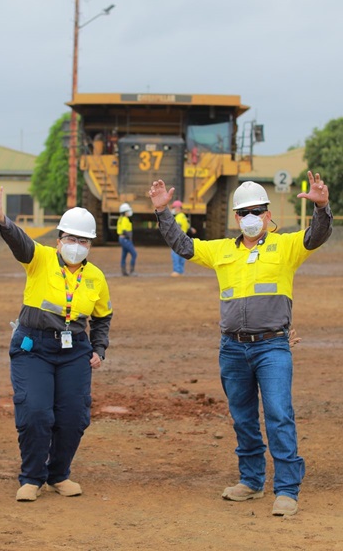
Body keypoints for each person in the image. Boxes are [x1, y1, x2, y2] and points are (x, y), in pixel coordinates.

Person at [148, 172, 332, 517]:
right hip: (232, 349)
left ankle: (287, 490)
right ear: (236, 217)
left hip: (272, 347)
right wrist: (162, 213)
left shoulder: (287, 246)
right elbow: (185, 246)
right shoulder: (221, 250)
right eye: (244, 212)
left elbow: (316, 235)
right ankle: (251, 481)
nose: (251, 217)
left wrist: (321, 207)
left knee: (278, 415)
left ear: (267, 214)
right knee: (243, 418)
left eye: (257, 211)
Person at [0, 184, 112, 502]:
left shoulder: (95, 276)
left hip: (75, 351)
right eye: (71, 239)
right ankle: (32, 477)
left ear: (90, 245)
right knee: (36, 413)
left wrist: (99, 349)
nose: (76, 245)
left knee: (73, 416)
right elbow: (19, 242)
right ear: (59, 240)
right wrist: (2, 220)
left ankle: (58, 475)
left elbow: (102, 316)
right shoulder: (39, 258)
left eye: (83, 240)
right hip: (34, 347)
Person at [170, 200, 196, 277]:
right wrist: (191, 229)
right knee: (182, 255)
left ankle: (176, 271)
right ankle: (180, 270)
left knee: (175, 254)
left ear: (178, 208)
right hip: (184, 237)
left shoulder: (178, 217)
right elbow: (188, 226)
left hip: (177, 238)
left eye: (174, 208)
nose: (173, 210)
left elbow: (177, 227)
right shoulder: (184, 216)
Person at [117, 202, 137, 276]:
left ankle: (124, 271)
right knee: (134, 254)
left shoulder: (120, 219)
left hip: (122, 239)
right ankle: (132, 271)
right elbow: (125, 230)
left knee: (124, 255)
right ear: (125, 212)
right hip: (126, 239)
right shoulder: (125, 219)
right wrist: (129, 237)